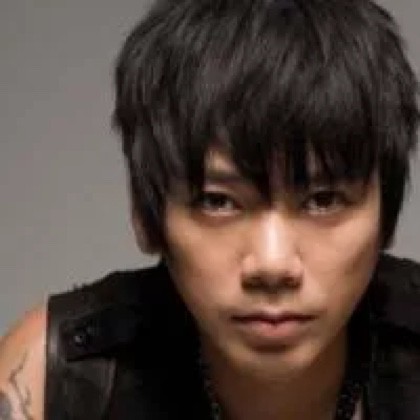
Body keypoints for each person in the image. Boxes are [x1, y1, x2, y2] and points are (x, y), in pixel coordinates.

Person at [1, 0, 419, 418]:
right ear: (146, 215)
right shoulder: (53, 378)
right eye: (218, 201)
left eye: (323, 201)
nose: (272, 264)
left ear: (385, 213)